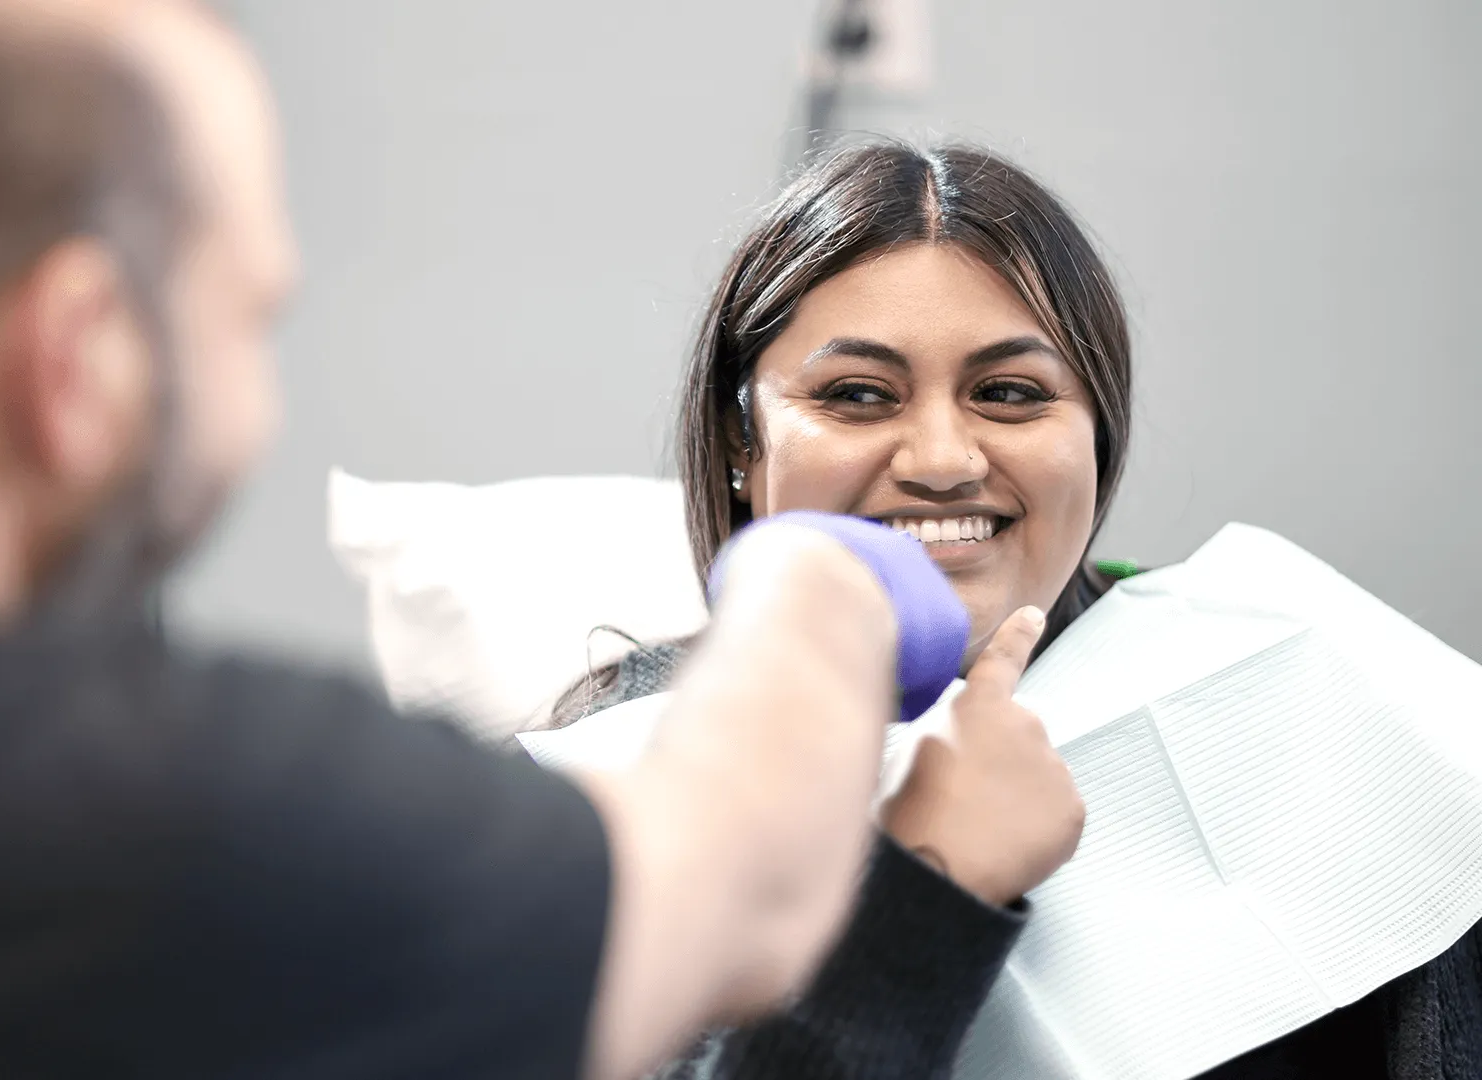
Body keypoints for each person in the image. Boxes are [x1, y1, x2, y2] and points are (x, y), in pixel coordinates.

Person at [0, 3, 984, 1076]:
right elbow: (723, 886)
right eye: (247, 319)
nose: (940, 454)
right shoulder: (133, 819)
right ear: (74, 358)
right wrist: (818, 588)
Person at [543, 140, 1482, 1080]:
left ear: (1097, 435)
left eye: (1009, 394)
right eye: (858, 395)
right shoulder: (609, 770)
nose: (943, 459)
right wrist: (930, 887)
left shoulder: (1316, 695)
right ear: (740, 440)